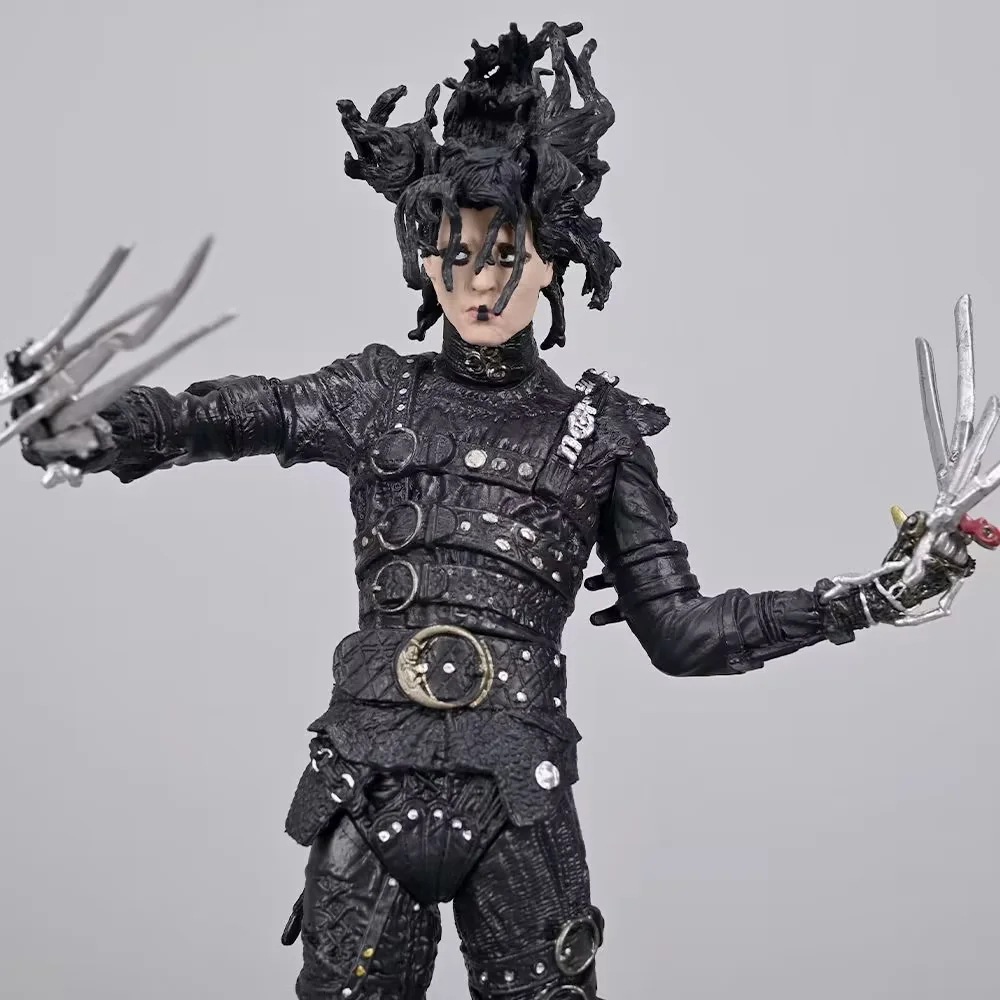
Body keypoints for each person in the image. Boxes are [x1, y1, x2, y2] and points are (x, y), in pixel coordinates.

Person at [4, 20, 998, 1000]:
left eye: (505, 253)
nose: (479, 281)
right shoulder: (374, 395)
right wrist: (103, 428)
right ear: (424, 262)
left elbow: (681, 632)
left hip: (519, 803)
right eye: (455, 254)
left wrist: (863, 598)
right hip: (368, 785)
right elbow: (233, 413)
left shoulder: (600, 434)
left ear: (552, 257)